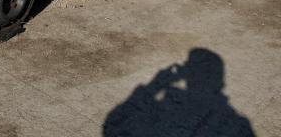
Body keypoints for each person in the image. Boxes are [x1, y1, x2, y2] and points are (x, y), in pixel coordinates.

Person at [103, 48, 255, 137]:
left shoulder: (164, 110)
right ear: (220, 81)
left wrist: (155, 85)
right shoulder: (238, 125)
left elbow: (112, 125)